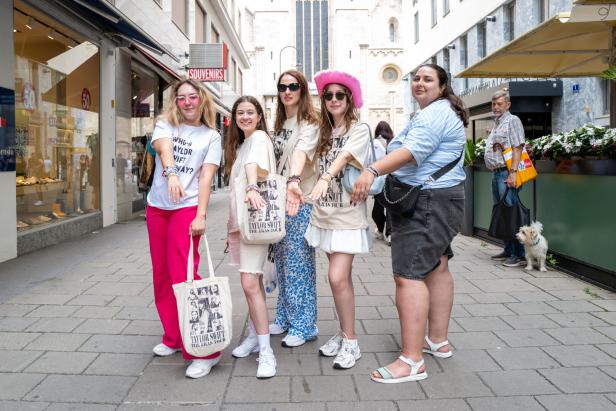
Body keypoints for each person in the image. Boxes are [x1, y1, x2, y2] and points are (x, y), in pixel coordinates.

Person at [351, 64, 467, 383]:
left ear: (442, 86)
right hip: (442, 199)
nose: (419, 83)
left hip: (427, 201)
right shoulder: (438, 112)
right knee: (438, 265)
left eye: (427, 79)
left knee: (409, 275)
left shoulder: (434, 114)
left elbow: (410, 152)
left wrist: (372, 170)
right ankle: (438, 341)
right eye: (416, 78)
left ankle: (411, 361)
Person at [145, 78, 222, 379]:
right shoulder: (166, 124)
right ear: (175, 102)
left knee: (186, 276)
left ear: (202, 100)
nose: (187, 102)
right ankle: (174, 337)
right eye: (182, 98)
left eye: (193, 97)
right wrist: (171, 171)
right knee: (162, 275)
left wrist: (201, 215)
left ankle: (205, 351)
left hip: (186, 209)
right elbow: (163, 148)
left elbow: (206, 178)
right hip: (157, 208)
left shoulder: (211, 136)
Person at [304, 70, 371, 370]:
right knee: (339, 281)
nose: (333, 100)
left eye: (339, 95)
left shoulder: (360, 128)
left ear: (349, 99)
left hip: (346, 215)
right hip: (324, 214)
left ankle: (352, 342)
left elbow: (344, 157)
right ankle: (344, 334)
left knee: (337, 277)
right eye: (328, 95)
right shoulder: (321, 131)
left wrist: (327, 176)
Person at [225, 96, 278, 379]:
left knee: (249, 283)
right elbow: (236, 187)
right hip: (244, 222)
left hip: (256, 218)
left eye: (250, 112)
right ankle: (256, 337)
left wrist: (253, 189)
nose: (245, 116)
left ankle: (266, 350)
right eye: (240, 113)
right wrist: (231, 227)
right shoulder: (243, 144)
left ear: (259, 116)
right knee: (253, 282)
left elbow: (252, 170)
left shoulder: (257, 139)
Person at [267, 70, 320, 348]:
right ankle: (286, 317)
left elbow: (300, 153)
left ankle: (304, 324)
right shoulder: (280, 123)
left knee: (299, 264)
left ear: (302, 90)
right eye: (282, 87)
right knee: (283, 263)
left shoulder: (309, 123)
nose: (287, 91)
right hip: (278, 202)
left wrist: (294, 180)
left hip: (299, 201)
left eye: (293, 86)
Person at [484, 90, 526, 267]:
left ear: (507, 105)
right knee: (502, 212)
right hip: (496, 173)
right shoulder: (497, 123)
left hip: (506, 173)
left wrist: (513, 173)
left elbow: (518, 147)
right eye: (494, 104)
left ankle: (519, 254)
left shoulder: (512, 120)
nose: (495, 107)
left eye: (499, 104)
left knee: (511, 212)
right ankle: (508, 249)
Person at [371, 121, 394, 244]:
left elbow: (370, 162)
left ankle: (381, 230)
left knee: (377, 209)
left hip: (379, 180)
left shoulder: (373, 143)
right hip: (392, 179)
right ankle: (389, 234)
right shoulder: (394, 142)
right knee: (390, 207)